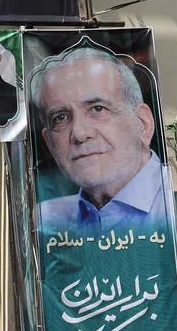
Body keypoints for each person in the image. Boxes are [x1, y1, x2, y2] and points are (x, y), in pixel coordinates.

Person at [30, 46, 168, 232]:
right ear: (49, 143)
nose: (79, 134)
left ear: (143, 123)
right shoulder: (46, 223)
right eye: (60, 117)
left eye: (98, 109)